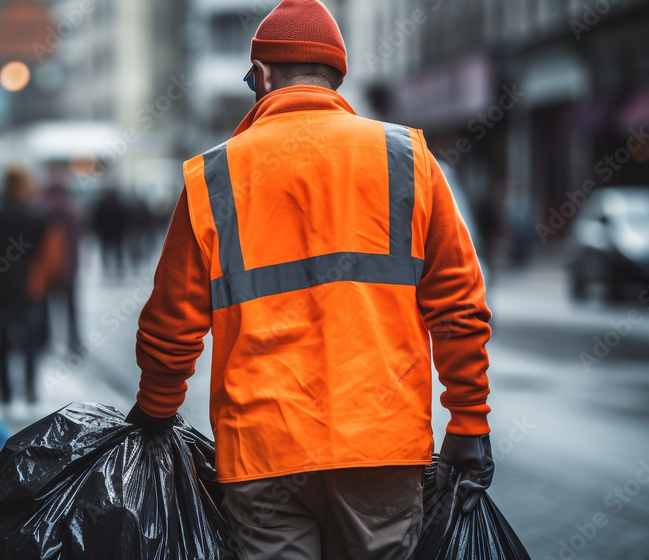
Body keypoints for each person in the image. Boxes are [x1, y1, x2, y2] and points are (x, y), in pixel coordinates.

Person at [125, 1, 494, 558]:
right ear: (334, 79)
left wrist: (155, 408)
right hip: (381, 448)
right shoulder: (408, 159)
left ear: (264, 76)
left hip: (262, 452)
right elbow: (459, 304)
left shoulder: (214, 175)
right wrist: (469, 421)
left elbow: (171, 322)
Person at [0, 167, 63, 404]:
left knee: (1, 344)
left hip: (1, 292)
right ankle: (30, 389)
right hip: (32, 292)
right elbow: (52, 255)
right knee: (31, 343)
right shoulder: (39, 218)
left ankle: (5, 394)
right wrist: (40, 284)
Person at [40, 167, 85, 348]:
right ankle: (74, 340)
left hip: (47, 267)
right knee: (71, 307)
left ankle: (45, 339)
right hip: (69, 266)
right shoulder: (73, 209)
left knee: (43, 305)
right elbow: (79, 236)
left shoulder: (40, 208)